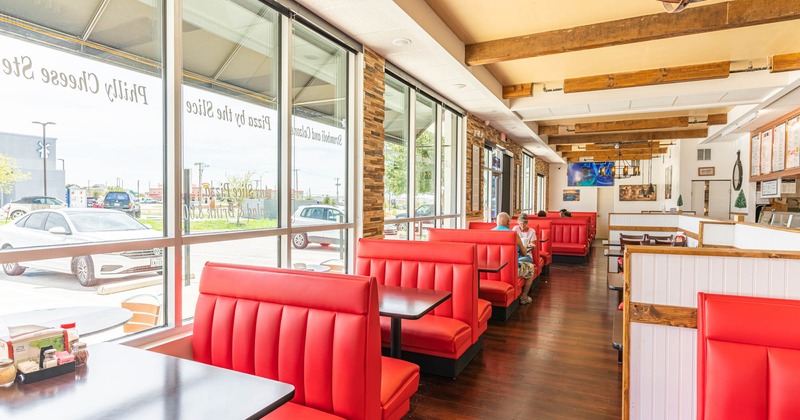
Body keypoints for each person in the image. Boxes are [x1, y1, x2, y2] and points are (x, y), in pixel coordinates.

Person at [493, 212, 535, 305]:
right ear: (508, 222)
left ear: (496, 222)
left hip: (491, 271)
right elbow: (524, 253)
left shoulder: (488, 233)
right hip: (510, 270)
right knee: (531, 268)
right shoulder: (513, 235)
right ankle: (524, 297)